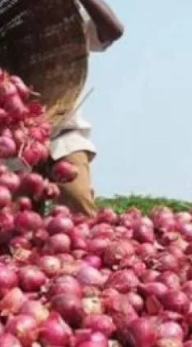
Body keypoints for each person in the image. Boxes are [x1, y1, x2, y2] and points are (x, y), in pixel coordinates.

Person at [48, 0, 124, 217]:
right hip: (19, 142)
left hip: (63, 136)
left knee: (78, 207)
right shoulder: (5, 25)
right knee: (13, 225)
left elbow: (112, 31)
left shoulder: (69, 18)